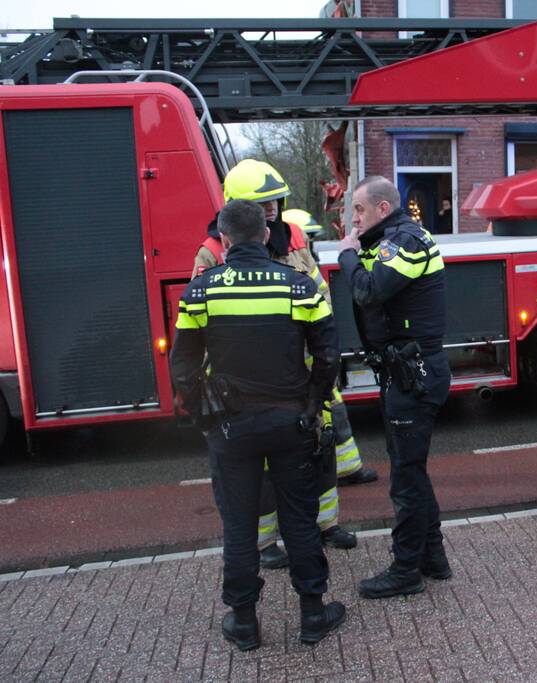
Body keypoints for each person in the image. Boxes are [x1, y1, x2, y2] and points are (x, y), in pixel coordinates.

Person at [170, 199, 346, 650]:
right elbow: (329, 355)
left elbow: (183, 363)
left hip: (230, 428)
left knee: (240, 525)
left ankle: (244, 623)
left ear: (224, 240)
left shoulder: (201, 290)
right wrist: (313, 402)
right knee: (300, 520)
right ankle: (312, 615)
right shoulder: (300, 286)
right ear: (267, 234)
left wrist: (199, 409)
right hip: (290, 422)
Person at [192, 159, 376, 571]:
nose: (272, 209)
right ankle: (264, 543)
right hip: (260, 382)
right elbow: (205, 323)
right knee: (261, 467)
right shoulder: (212, 252)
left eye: (275, 200)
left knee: (323, 450)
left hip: (308, 373)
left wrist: (321, 351)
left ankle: (327, 525)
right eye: (263, 203)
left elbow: (317, 290)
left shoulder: (293, 235)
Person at [337, 176, 451, 599]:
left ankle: (406, 570)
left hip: (414, 374)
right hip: (406, 371)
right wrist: (360, 246)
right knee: (412, 470)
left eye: (359, 211)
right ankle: (433, 556)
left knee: (405, 477)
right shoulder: (390, 240)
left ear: (383, 209)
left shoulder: (408, 241)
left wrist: (347, 255)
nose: (353, 220)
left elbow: (369, 291)